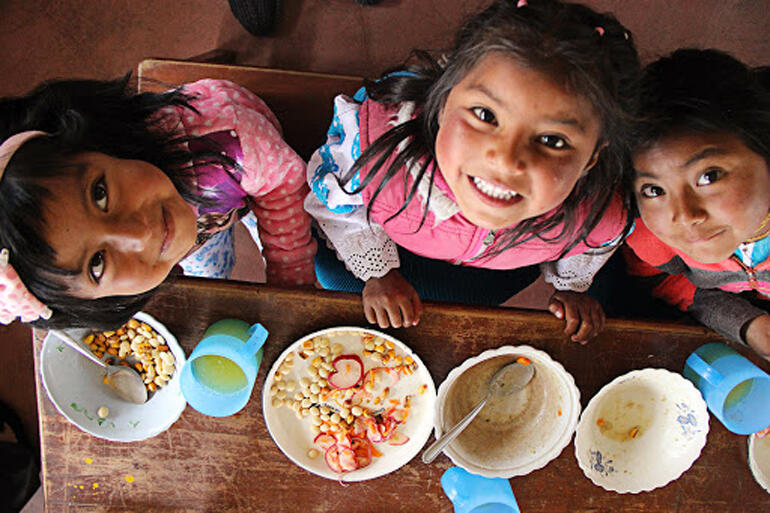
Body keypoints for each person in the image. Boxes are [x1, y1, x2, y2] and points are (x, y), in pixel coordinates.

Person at [305, 0, 640, 342]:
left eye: (553, 140)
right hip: (395, 247)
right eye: (485, 115)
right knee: (337, 282)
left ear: (592, 158)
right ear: (444, 100)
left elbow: (589, 248)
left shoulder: (599, 214)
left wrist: (571, 287)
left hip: (497, 269)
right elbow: (338, 208)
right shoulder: (377, 149)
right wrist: (377, 274)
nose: (506, 161)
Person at [0, 76, 316, 329]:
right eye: (97, 263)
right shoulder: (159, 225)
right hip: (211, 218)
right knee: (210, 268)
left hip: (255, 171)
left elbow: (284, 184)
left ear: (92, 144)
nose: (140, 234)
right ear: (99, 304)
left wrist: (289, 270)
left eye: (100, 193)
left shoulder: (229, 143)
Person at [623, 48, 770, 361]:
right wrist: (747, 324)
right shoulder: (651, 237)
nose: (685, 216)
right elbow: (669, 282)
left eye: (709, 176)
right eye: (653, 189)